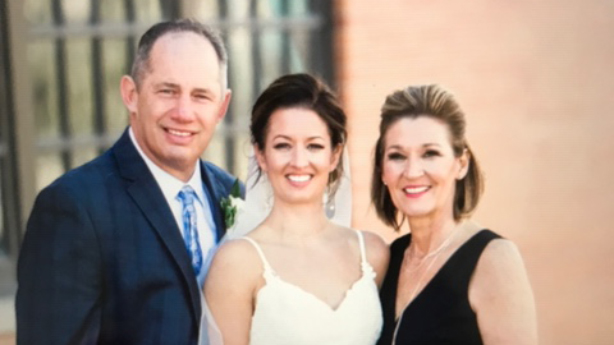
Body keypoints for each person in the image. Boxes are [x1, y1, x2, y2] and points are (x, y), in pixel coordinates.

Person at [16, 19, 243, 345]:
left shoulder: (236, 196)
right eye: (168, 91)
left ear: (222, 107)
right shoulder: (73, 207)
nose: (183, 112)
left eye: (201, 96)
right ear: (131, 94)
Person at [204, 73, 389, 345]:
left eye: (314, 146)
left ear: (334, 155)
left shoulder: (372, 253)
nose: (299, 161)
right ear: (261, 155)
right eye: (283, 145)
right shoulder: (237, 263)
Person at [373, 85, 537, 345]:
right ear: (382, 171)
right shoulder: (387, 260)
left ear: (461, 164)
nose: (413, 171)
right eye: (397, 156)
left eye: (430, 153)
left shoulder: (493, 259)